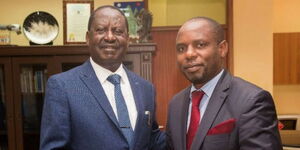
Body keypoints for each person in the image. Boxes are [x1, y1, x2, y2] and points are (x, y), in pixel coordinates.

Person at [40, 5, 165, 150]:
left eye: (118, 31)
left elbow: (152, 139)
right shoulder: (62, 86)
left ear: (127, 39)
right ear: (88, 38)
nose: (110, 37)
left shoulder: (145, 88)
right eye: (101, 30)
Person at [166, 17, 282, 150]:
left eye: (200, 44)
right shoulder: (176, 104)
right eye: (181, 48)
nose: (189, 54)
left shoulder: (252, 101)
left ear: (222, 48)